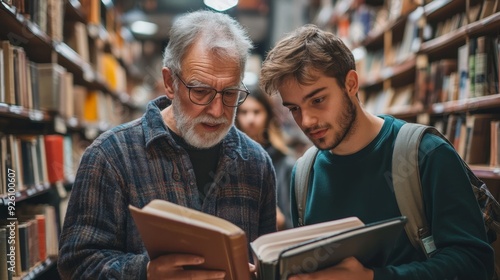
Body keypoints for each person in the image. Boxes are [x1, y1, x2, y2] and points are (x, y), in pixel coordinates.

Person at [259, 24, 494, 279]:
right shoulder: (304, 174)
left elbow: (474, 263)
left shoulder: (426, 154)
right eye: (294, 108)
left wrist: (373, 277)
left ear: (350, 84)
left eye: (317, 100)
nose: (306, 121)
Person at [58, 10, 277, 280]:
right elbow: (76, 264)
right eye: (200, 91)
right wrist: (146, 272)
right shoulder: (110, 156)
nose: (218, 110)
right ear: (170, 83)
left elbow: (268, 261)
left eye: (230, 93)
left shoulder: (257, 163)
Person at [236, 89, 296, 230]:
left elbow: (294, 223)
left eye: (257, 112)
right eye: (244, 112)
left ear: (268, 115)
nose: (250, 119)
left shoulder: (285, 163)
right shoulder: (230, 161)